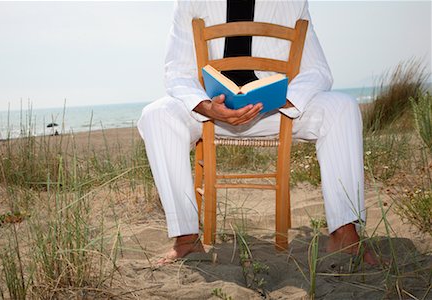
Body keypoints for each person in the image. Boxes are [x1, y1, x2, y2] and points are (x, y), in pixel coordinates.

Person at [138, 0, 378, 265]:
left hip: (275, 113)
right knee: (156, 115)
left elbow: (317, 70)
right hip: (211, 116)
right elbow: (177, 73)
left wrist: (283, 100)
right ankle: (186, 238)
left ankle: (345, 234)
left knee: (342, 107)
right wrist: (208, 108)